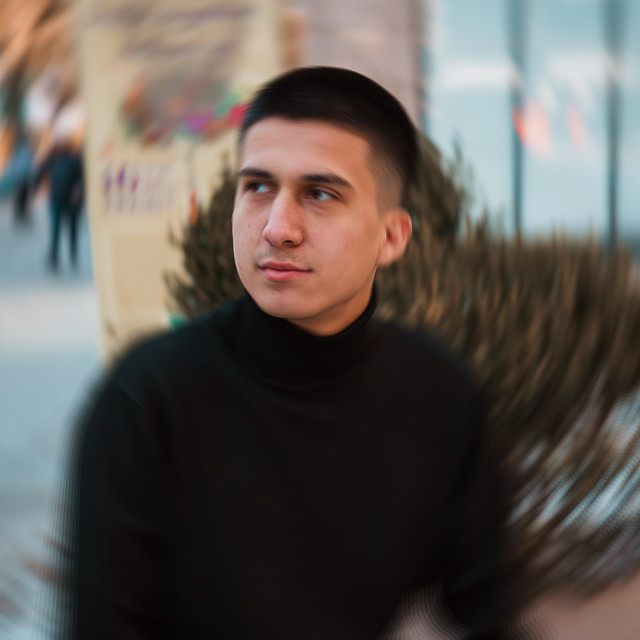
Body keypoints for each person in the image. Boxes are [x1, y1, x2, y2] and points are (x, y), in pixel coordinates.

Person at [65, 67, 524, 639]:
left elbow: (489, 609)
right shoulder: (149, 399)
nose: (278, 228)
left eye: (320, 194)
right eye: (258, 187)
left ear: (391, 237)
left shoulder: (437, 394)